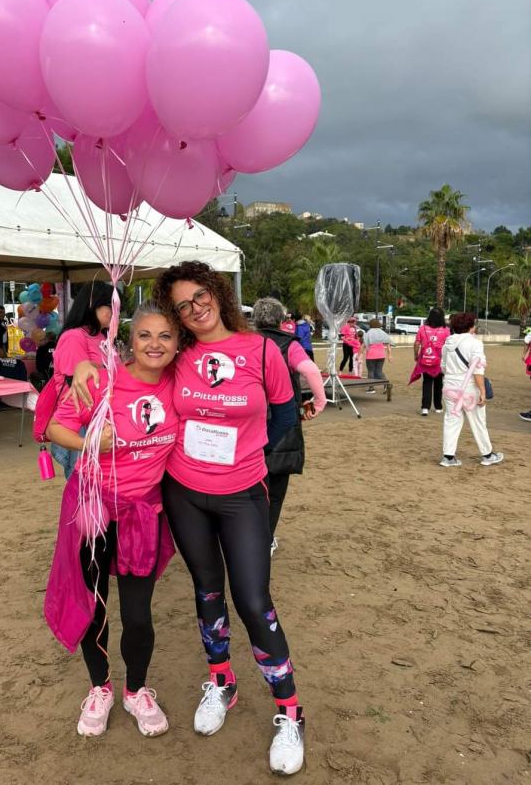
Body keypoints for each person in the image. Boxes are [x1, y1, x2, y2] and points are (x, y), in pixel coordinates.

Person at [72, 262, 306, 775]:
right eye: (182, 305)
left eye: (200, 296)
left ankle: (290, 713)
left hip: (243, 494)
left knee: (253, 599)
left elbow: (286, 417)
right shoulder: (177, 356)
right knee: (206, 590)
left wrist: (255, 470)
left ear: (217, 293)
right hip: (183, 493)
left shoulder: (263, 351)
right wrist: (79, 366)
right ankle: (222, 684)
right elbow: (112, 360)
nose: (195, 308)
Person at [45, 302, 179, 739]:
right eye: (145, 335)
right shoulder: (100, 379)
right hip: (94, 509)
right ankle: (100, 687)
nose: (154, 344)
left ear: (178, 344)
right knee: (95, 606)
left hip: (143, 513)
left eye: (165, 336)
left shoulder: (179, 384)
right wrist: (89, 442)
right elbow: (53, 428)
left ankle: (136, 690)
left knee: (138, 616)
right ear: (129, 338)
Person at [252, 297, 326, 552]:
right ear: (282, 320)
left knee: (249, 488)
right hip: (281, 421)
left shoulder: (246, 342)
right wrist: (320, 400)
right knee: (276, 487)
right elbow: (311, 370)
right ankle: (265, 537)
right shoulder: (288, 344)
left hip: (249, 421)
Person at [51, 281, 117, 479]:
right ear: (93, 305)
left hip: (102, 419)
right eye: (111, 307)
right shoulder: (74, 337)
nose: (115, 314)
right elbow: (78, 385)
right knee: (82, 482)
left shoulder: (103, 338)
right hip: (81, 421)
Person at [439, 312, 503, 468]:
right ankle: (487, 454)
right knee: (478, 421)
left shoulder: (448, 343)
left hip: (449, 386)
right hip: (468, 388)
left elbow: (443, 367)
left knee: (451, 420)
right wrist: (482, 392)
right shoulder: (475, 343)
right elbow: (477, 370)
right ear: (470, 326)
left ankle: (448, 457)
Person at [413, 307, 450, 415]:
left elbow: (416, 343)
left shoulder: (422, 328)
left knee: (427, 383)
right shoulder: (446, 330)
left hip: (425, 358)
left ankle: (425, 407)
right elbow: (448, 346)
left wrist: (416, 355)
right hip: (439, 360)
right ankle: (438, 406)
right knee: (439, 383)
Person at [362, 318, 393, 393]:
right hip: (381, 355)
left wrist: (360, 354)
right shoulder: (383, 333)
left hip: (371, 356)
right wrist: (390, 355)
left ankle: (371, 388)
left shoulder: (368, 333)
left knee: (371, 372)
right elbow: (388, 345)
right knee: (379, 372)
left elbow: (364, 345)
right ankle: (386, 384)